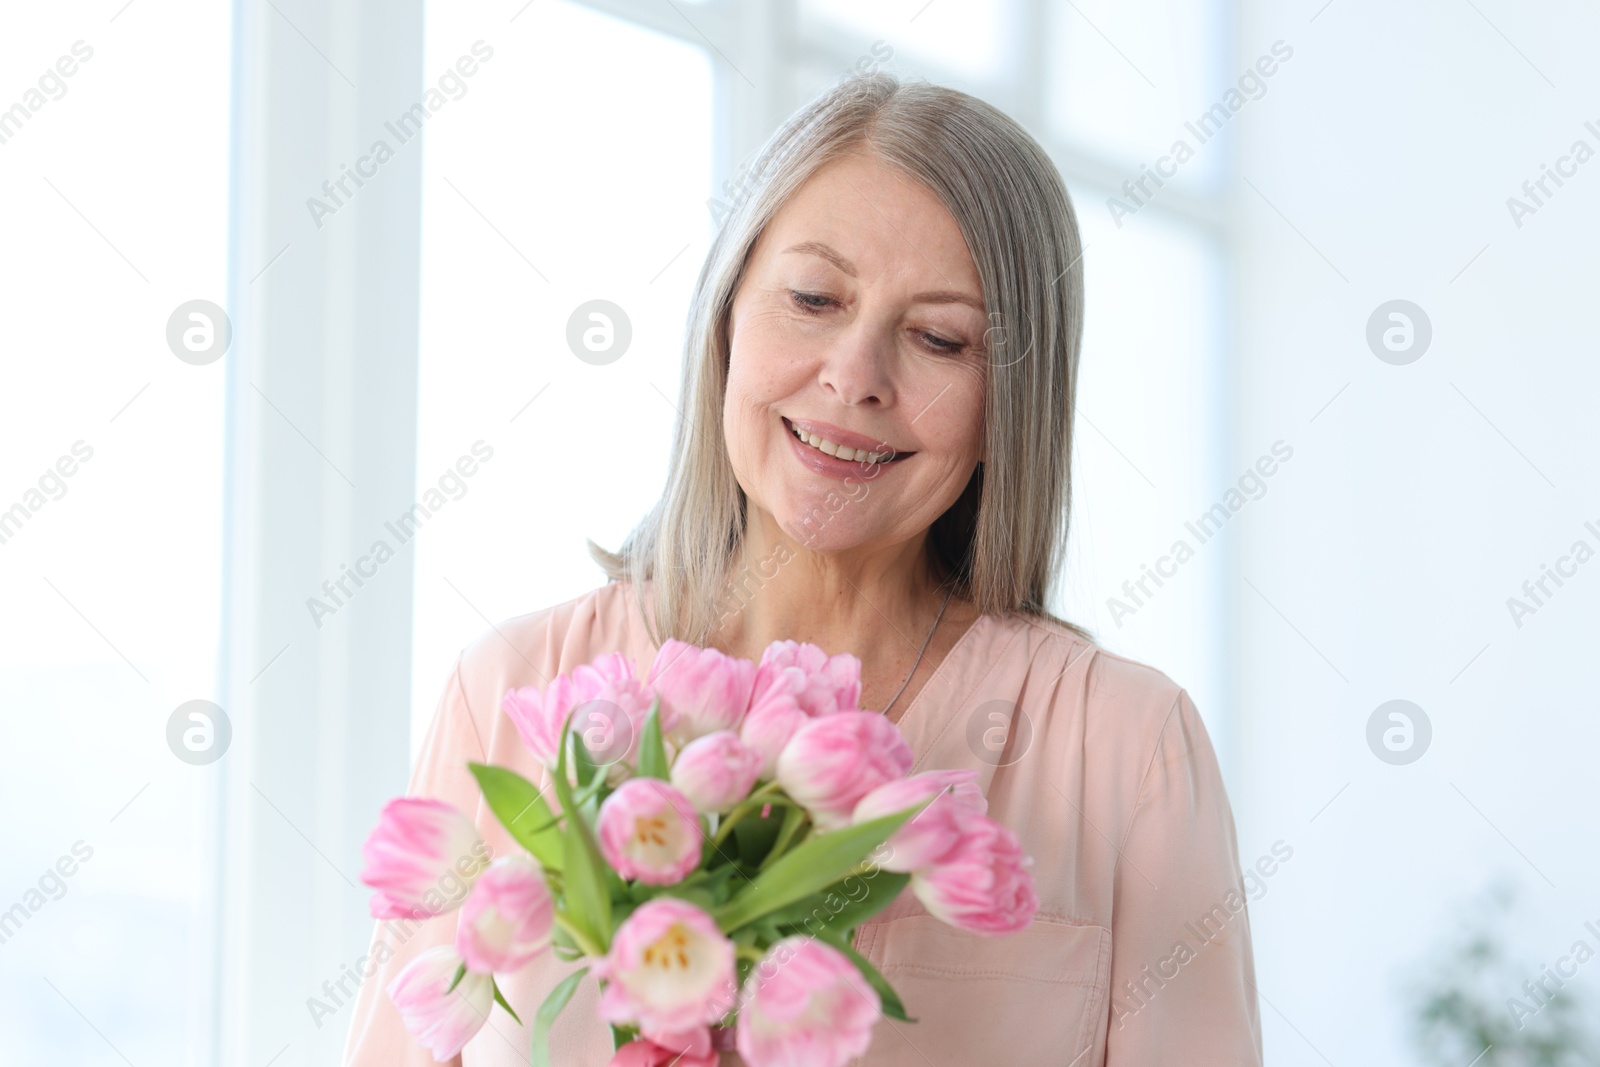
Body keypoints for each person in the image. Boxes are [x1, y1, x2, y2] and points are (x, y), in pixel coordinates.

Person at [344, 71, 1262, 1066]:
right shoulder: (515, 688)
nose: (854, 376)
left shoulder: (1125, 749)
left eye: (940, 337)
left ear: (1012, 401)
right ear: (726, 316)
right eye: (814, 298)